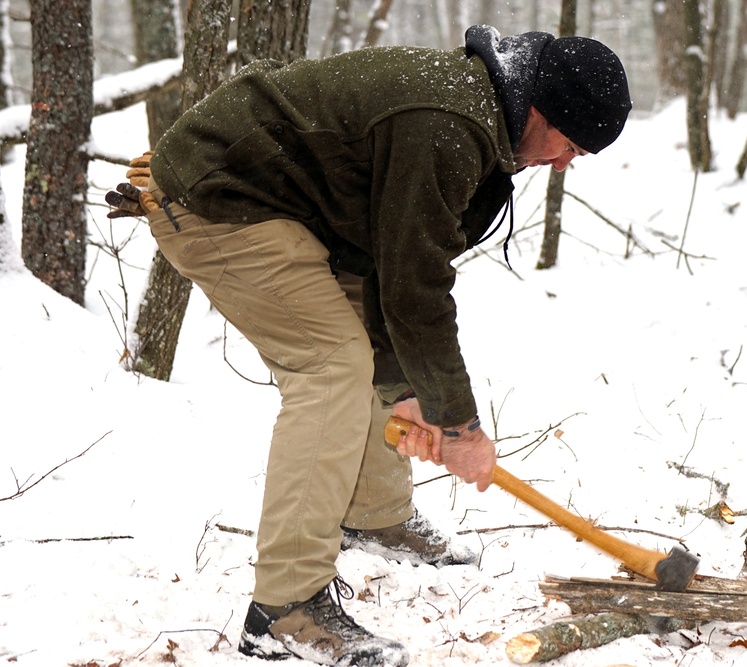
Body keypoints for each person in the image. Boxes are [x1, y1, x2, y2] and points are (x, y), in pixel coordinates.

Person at [107, 24, 630, 666]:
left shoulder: (481, 115)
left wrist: (409, 395)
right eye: (569, 144)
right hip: (220, 198)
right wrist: (458, 424)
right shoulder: (448, 120)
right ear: (543, 106)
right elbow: (415, 288)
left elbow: (392, 270)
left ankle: (374, 511)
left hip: (298, 213)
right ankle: (286, 610)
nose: (563, 164)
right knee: (333, 370)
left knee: (369, 347)